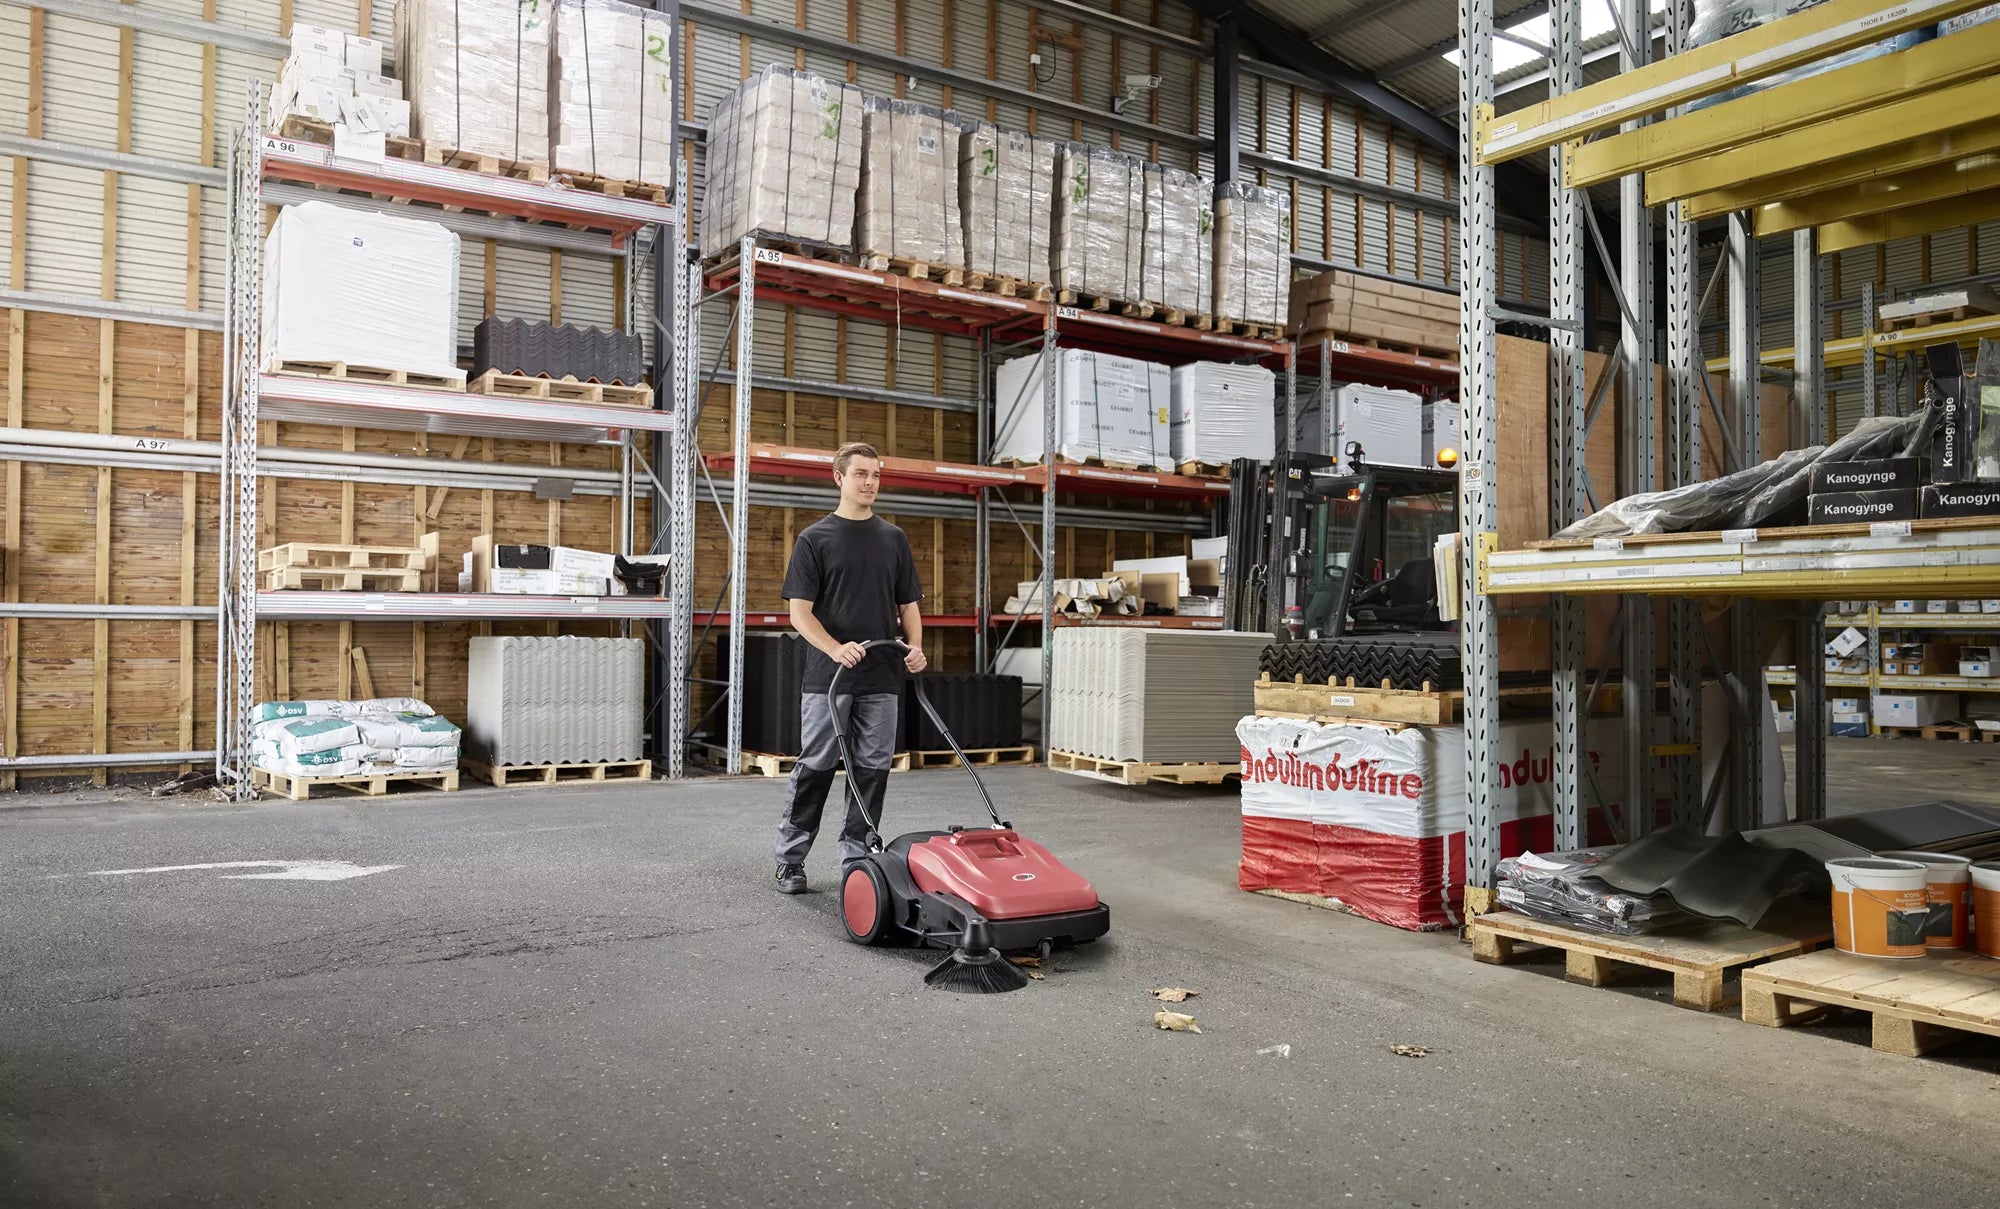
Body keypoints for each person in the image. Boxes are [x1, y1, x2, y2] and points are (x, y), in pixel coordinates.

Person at [772, 441, 926, 894]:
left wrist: (914, 647)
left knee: (872, 770)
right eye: (861, 474)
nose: (870, 483)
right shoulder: (814, 539)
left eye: (876, 475)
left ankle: (857, 861)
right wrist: (836, 648)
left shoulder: (893, 538)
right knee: (816, 766)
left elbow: (909, 605)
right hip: (829, 678)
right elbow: (800, 613)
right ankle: (791, 859)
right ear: (839, 478)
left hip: (882, 677)